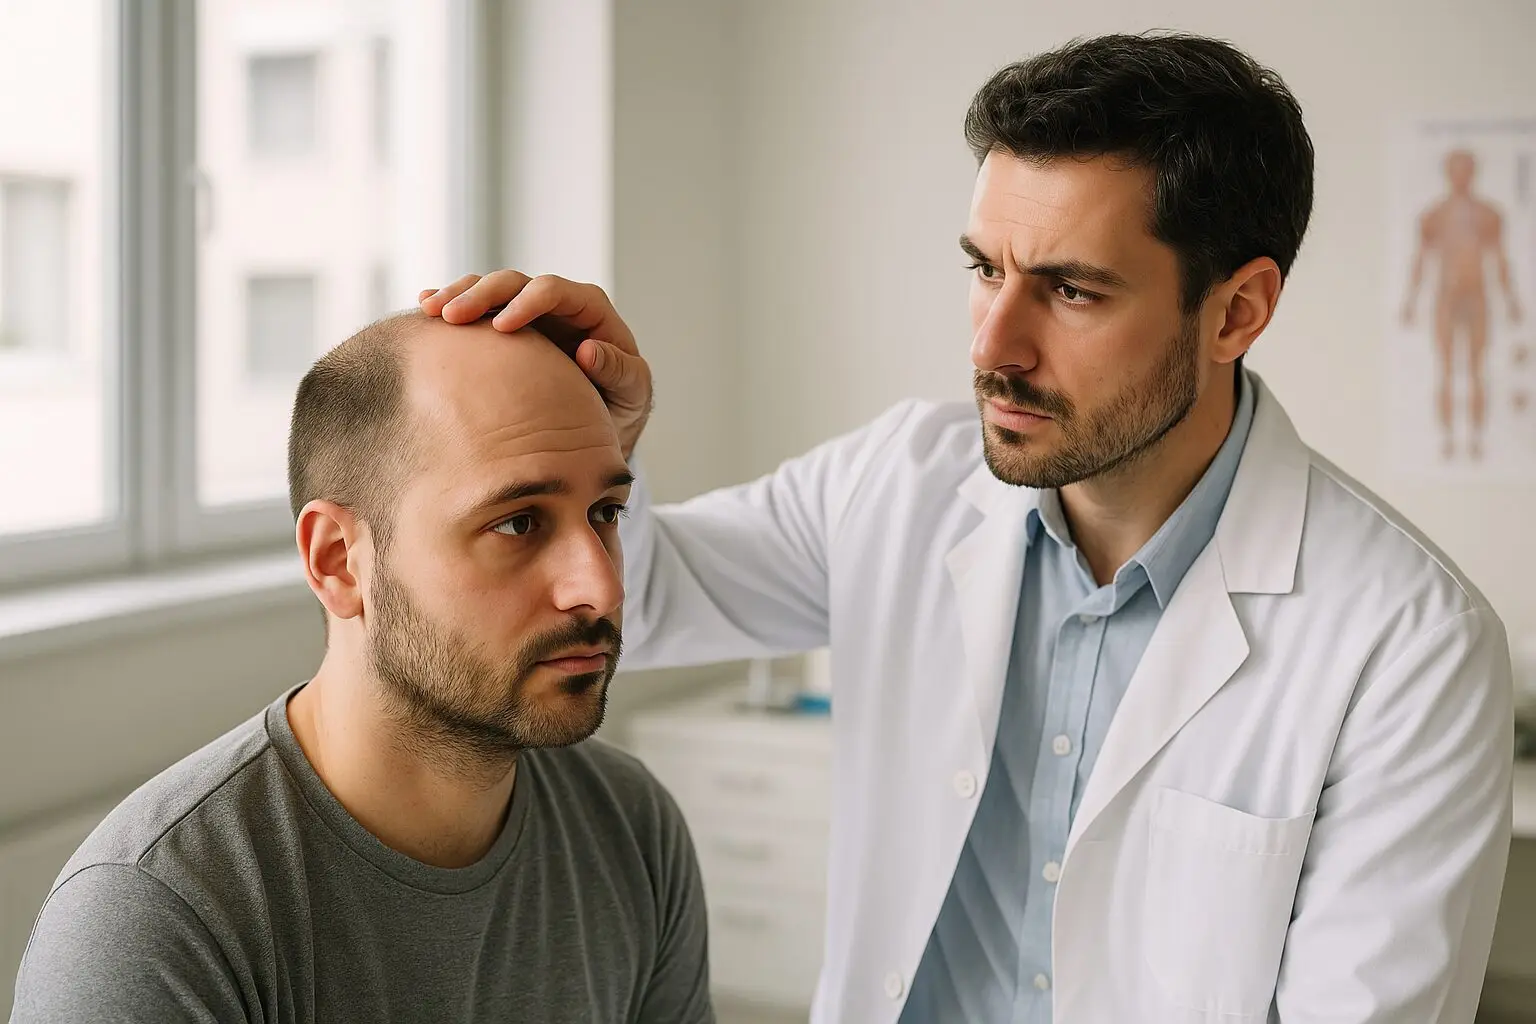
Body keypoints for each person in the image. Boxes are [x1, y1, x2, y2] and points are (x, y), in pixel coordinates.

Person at [421, 32, 1514, 1024]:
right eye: (985, 268)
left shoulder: (1408, 643)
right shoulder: (895, 483)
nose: (996, 343)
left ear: (1236, 311)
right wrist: (600, 442)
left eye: (1072, 292)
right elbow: (636, 603)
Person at [10, 313, 714, 1023]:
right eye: (518, 522)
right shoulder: (157, 920)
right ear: (338, 561)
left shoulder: (630, 826)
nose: (601, 586)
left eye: (605, 512)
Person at [1402, 148, 1524, 461]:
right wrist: (1411, 302)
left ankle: (1476, 440)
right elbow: (1421, 260)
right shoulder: (1434, 216)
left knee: (1476, 369)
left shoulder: (1488, 215)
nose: (1461, 174)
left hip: (1477, 296)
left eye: (1466, 168)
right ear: (1448, 173)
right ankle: (1448, 439)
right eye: (1456, 168)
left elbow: (1499, 259)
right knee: (1445, 369)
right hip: (1446, 297)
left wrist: (1511, 301)